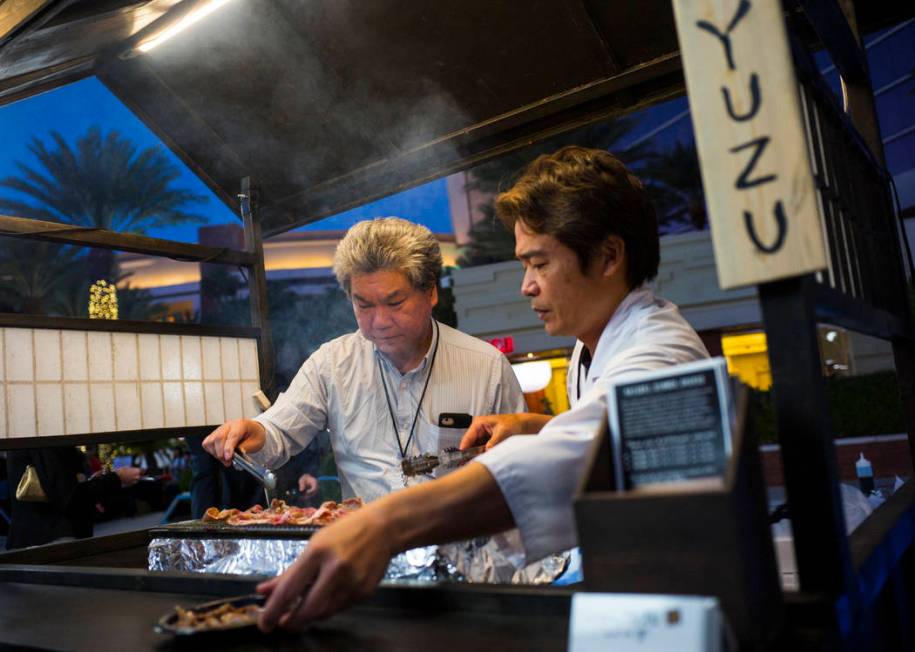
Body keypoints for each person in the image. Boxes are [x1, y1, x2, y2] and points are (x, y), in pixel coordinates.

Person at [254, 145, 710, 630]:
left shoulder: (661, 354)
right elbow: (610, 440)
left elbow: (566, 464)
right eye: (523, 266)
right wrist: (539, 425)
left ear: (609, 256)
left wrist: (382, 525)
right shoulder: (591, 348)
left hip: (672, 603)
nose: (526, 286)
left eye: (539, 264)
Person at [202, 217, 526, 502]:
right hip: (369, 550)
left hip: (462, 544)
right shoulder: (332, 363)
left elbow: (523, 468)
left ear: (430, 293)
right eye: (364, 305)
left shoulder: (487, 366)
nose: (380, 321)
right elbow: (279, 431)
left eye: (395, 302)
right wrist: (254, 431)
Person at [6, 447, 142, 549]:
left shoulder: (30, 433)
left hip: (37, 536)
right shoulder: (45, 439)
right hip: (50, 540)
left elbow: (60, 487)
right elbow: (70, 497)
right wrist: (117, 478)